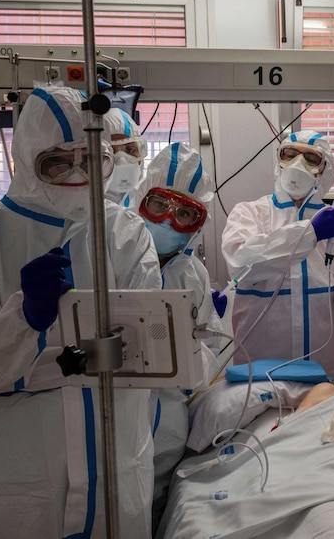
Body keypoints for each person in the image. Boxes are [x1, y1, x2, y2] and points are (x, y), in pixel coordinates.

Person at [0, 86, 162, 539]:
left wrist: (15, 366)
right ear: (26, 158)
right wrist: (23, 319)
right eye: (57, 161)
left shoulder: (125, 233)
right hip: (23, 483)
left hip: (116, 468)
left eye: (91, 159)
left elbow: (144, 351)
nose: (77, 174)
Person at [222, 130, 334, 377]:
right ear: (279, 161)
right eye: (290, 155)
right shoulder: (249, 214)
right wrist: (310, 233)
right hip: (261, 373)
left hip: (327, 370)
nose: (298, 164)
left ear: (325, 169)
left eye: (310, 158)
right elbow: (241, 263)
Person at [131, 141, 226, 530]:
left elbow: (211, 350)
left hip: (170, 420)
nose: (170, 222)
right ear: (140, 198)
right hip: (119, 414)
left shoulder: (194, 276)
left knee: (159, 512)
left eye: (185, 213)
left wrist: (189, 353)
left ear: (198, 223)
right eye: (159, 205)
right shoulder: (114, 256)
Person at [103, 107, 146, 206]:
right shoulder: (82, 209)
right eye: (111, 151)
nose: (122, 161)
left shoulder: (148, 203)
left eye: (130, 150)